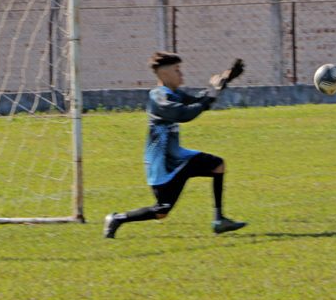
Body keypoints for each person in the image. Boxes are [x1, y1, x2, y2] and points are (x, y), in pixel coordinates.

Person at [103, 51, 247, 239]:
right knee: (161, 211)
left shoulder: (174, 93)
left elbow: (198, 101)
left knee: (217, 165)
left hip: (178, 158)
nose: (181, 74)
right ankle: (116, 218)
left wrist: (224, 81)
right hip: (162, 164)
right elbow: (185, 114)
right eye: (177, 70)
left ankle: (219, 219)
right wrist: (212, 93)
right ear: (164, 74)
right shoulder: (159, 97)